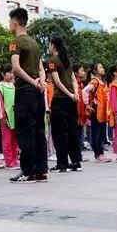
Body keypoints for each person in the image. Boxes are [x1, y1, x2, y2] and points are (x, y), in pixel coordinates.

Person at [7, 8, 48, 183]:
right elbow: (41, 69)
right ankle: (41, 171)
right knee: (39, 131)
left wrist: (32, 82)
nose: (9, 25)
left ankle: (27, 171)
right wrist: (41, 82)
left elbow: (15, 68)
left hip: (25, 91)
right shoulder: (35, 43)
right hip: (38, 93)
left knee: (26, 132)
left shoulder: (16, 43)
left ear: (15, 22)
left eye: (9, 22)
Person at [47, 37, 83, 172]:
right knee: (73, 131)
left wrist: (69, 94)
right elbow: (74, 80)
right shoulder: (67, 61)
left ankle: (62, 163)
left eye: (50, 44)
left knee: (59, 132)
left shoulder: (53, 62)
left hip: (60, 99)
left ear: (53, 45)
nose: (49, 47)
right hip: (71, 101)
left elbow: (57, 82)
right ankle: (75, 162)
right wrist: (75, 94)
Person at [83, 63, 110, 162]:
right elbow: (84, 91)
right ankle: (98, 153)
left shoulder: (102, 82)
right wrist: (87, 104)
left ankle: (101, 153)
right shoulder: (94, 82)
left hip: (103, 112)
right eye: (101, 67)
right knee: (96, 133)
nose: (103, 69)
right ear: (95, 70)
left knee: (102, 133)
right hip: (96, 111)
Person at [0, 63, 19, 168]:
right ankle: (9, 161)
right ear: (3, 74)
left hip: (15, 116)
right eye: (9, 72)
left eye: (12, 72)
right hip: (5, 117)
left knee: (14, 140)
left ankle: (15, 159)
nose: (11, 74)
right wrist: (2, 117)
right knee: (7, 140)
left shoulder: (14, 85)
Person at [73, 65, 89, 153]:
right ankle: (77, 154)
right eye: (82, 71)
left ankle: (79, 154)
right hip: (77, 116)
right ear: (76, 73)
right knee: (77, 134)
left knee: (81, 134)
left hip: (81, 116)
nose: (84, 72)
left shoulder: (81, 85)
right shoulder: (74, 86)